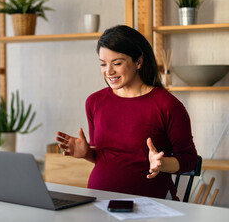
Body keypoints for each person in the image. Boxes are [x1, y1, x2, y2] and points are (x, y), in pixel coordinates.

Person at [55, 25, 198, 200]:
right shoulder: (94, 102)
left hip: (151, 205)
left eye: (117, 63)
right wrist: (86, 153)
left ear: (138, 61)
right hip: (100, 203)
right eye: (103, 64)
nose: (108, 71)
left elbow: (189, 159)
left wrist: (161, 164)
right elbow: (107, 158)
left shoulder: (167, 105)